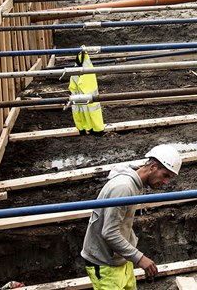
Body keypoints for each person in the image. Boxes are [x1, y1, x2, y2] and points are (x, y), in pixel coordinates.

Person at [81, 145, 182, 288]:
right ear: (153, 167)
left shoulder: (135, 185)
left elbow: (122, 223)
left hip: (120, 258)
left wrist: (131, 249)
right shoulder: (123, 188)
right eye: (165, 175)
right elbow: (109, 232)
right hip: (104, 264)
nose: (166, 182)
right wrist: (139, 258)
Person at [68, 49, 104, 135]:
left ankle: (84, 128)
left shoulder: (79, 67)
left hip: (81, 116)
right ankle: (95, 129)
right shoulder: (86, 68)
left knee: (82, 108)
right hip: (87, 97)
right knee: (91, 108)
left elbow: (73, 86)